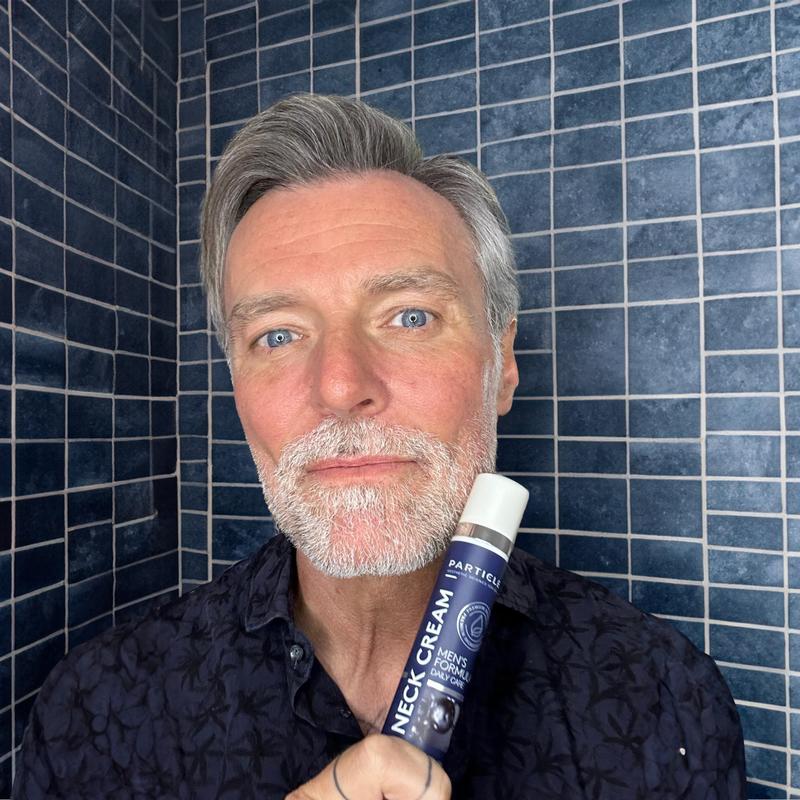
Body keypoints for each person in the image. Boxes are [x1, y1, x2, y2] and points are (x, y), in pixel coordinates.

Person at [14, 94, 745, 800]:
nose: (339, 386)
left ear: (503, 365)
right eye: (277, 334)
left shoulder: (662, 704)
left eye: (409, 317)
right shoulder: (96, 719)